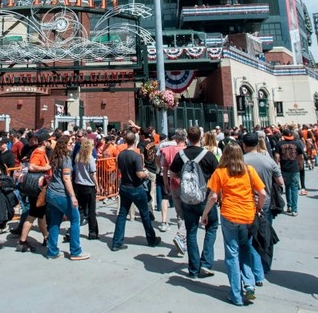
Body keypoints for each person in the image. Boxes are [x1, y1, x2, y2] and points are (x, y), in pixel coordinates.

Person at [201, 143, 266, 306]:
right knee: (245, 249)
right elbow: (262, 193)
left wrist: (205, 213)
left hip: (229, 215)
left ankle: (236, 294)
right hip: (248, 216)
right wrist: (258, 208)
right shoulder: (249, 170)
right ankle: (249, 283)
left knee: (232, 253)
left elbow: (213, 197)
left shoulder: (220, 172)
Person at [169, 126, 219, 279]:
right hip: (205, 197)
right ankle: (206, 262)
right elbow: (218, 175)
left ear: (187, 138)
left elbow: (173, 173)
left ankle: (193, 268)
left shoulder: (181, 154)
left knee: (191, 232)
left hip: (187, 198)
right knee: (211, 227)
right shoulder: (208, 155)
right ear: (201, 137)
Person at [110, 131, 161, 251]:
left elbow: (119, 168)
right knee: (144, 214)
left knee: (122, 214)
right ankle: (151, 239)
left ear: (125, 141)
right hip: (136, 188)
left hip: (124, 186)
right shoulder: (136, 156)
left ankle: (116, 242)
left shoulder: (121, 155)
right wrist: (146, 174)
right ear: (135, 141)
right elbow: (139, 173)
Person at [242, 131, 283, 276]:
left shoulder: (241, 161)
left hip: (246, 202)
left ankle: (253, 266)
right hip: (265, 202)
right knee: (265, 233)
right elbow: (280, 181)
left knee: (250, 236)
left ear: (244, 145)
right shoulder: (268, 160)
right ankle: (265, 265)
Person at [45, 135, 88, 260]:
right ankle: (75, 251)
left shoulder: (55, 157)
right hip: (61, 193)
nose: (72, 144)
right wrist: (73, 196)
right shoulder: (66, 159)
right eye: (70, 142)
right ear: (64, 144)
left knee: (55, 221)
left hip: (52, 192)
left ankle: (52, 251)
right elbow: (66, 178)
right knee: (75, 219)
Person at [16, 130, 49, 252]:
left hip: (39, 188)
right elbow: (31, 166)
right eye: (49, 141)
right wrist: (46, 167)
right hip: (36, 188)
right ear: (45, 142)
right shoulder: (38, 153)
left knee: (40, 214)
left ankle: (46, 237)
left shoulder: (41, 151)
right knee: (33, 214)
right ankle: (22, 241)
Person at [274, 127, 304, 216]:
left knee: (287, 187)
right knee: (294, 187)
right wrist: (301, 164)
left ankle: (289, 206)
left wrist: (276, 166)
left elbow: (276, 156)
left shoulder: (279, 144)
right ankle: (295, 209)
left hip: (284, 168)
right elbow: (300, 156)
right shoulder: (297, 143)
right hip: (294, 168)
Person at [73, 138, 98, 239]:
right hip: (89, 186)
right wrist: (97, 185)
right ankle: (93, 233)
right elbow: (93, 173)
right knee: (91, 211)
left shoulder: (78, 157)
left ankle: (72, 231)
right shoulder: (90, 158)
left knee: (80, 210)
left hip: (79, 185)